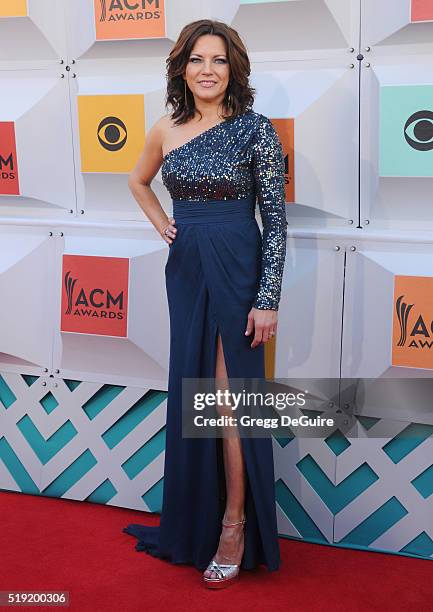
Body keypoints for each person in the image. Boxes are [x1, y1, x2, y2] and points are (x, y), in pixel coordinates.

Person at [123, 18, 288, 588]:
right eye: (197, 60)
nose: (208, 70)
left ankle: (234, 524)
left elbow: (276, 223)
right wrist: (163, 223)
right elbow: (138, 181)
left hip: (240, 268)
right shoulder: (165, 128)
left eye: (218, 60)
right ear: (182, 68)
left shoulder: (255, 130)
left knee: (228, 400)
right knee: (197, 390)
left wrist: (267, 298)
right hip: (188, 268)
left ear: (233, 68)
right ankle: (201, 518)